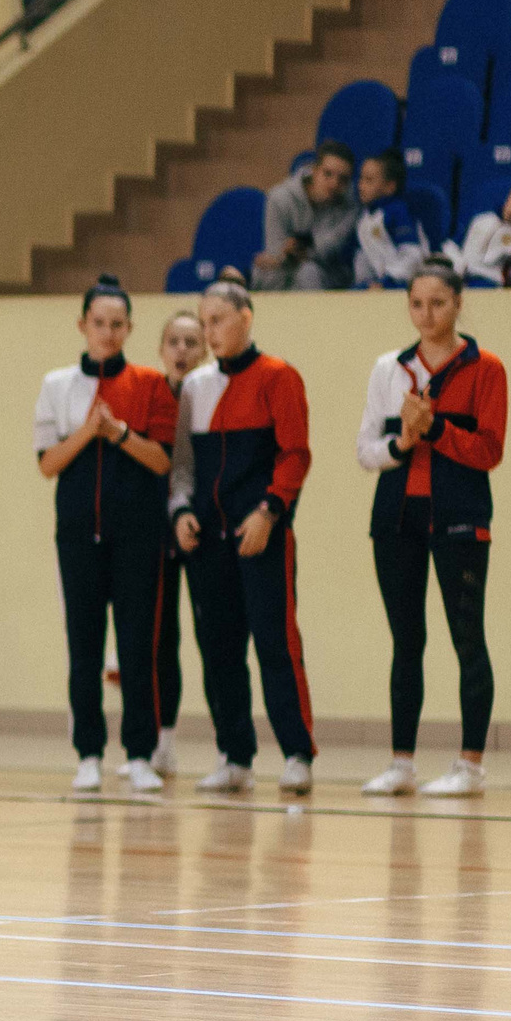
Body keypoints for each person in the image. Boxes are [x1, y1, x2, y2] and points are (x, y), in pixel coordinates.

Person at [356, 258, 504, 798]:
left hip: (460, 516)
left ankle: (470, 764)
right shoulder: (387, 368)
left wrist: (435, 427)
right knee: (406, 641)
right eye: (416, 303)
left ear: (459, 303)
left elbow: (489, 450)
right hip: (396, 518)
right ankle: (401, 763)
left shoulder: (486, 367)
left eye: (438, 302)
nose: (426, 313)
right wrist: (403, 443)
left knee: (468, 638)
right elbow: (365, 449)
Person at [32, 276, 178, 793]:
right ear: (83, 325)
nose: (108, 333)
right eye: (99, 324)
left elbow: (161, 459)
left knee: (139, 647)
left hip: (138, 538)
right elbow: (48, 464)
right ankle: (87, 753)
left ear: (130, 329)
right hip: (76, 538)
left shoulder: (152, 385)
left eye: (118, 325)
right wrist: (87, 432)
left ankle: (139, 753)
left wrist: (117, 433)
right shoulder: (56, 386)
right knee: (84, 649)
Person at [170, 279, 316, 793]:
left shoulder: (279, 377)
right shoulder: (195, 388)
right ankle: (235, 756)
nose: (208, 332)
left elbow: (295, 455)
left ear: (246, 318)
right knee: (218, 649)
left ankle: (298, 753)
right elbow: (183, 467)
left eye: (218, 321)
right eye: (203, 322)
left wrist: (270, 512)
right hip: (208, 543)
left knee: (276, 643)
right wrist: (182, 511)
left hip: (263, 535)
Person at [143, 308, 208, 778]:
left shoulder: (211, 394)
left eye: (191, 341)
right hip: (153, 529)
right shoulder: (148, 394)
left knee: (212, 636)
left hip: (202, 526)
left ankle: (232, 751)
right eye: (174, 341)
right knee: (158, 637)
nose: (182, 350)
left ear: (205, 347)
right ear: (161, 348)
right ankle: (160, 740)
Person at [253, 141, 359, 291]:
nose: (334, 184)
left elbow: (328, 249)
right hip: (282, 265)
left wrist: (300, 252)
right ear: (314, 170)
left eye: (343, 179)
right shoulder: (279, 198)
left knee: (308, 272)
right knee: (261, 273)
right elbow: (274, 249)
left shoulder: (351, 206)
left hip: (327, 272)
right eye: (327, 174)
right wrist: (284, 254)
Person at [352, 150, 429, 289]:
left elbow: (412, 256)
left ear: (389, 187)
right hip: (380, 284)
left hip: (406, 284)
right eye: (361, 178)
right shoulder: (364, 217)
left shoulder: (398, 212)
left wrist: (388, 281)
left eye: (368, 180)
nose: (361, 185)